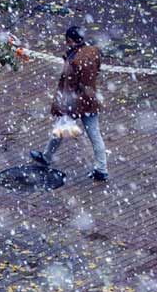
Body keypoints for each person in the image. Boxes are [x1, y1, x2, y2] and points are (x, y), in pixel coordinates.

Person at [30, 26, 109, 181]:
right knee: (95, 135)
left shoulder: (74, 61)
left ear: (70, 40)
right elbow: (95, 72)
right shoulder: (93, 52)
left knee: (60, 128)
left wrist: (62, 104)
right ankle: (101, 168)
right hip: (90, 100)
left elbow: (68, 85)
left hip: (74, 103)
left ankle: (46, 157)